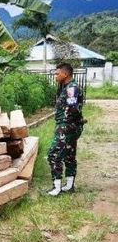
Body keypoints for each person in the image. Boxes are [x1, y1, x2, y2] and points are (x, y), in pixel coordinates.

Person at [47, 63, 85, 196]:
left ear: (65, 74)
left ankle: (56, 188)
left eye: (57, 73)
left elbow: (72, 109)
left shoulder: (71, 88)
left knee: (53, 154)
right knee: (69, 155)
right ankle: (69, 186)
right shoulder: (67, 87)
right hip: (69, 126)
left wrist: (66, 125)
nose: (56, 76)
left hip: (67, 126)